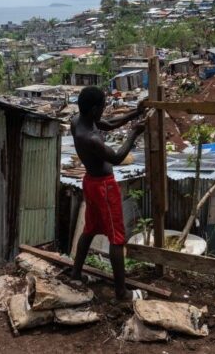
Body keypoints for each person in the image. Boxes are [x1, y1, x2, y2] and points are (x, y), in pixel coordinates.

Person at [70, 86, 147, 300]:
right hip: (104, 186)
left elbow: (108, 124)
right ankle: (121, 292)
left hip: (90, 183)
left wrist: (135, 113)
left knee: (90, 229)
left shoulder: (78, 121)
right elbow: (116, 157)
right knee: (117, 238)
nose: (104, 111)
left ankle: (76, 273)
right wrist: (134, 133)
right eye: (102, 107)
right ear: (94, 109)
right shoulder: (90, 139)